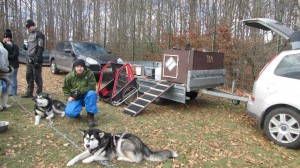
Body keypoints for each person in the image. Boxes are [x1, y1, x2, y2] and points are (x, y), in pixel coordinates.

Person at [62, 59, 98, 127]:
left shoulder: (89, 73)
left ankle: (90, 117)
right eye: (77, 67)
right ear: (74, 67)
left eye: (81, 67)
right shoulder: (69, 76)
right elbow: (65, 88)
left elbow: (92, 86)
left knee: (92, 93)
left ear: (84, 67)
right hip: (75, 97)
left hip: (86, 96)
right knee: (70, 113)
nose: (79, 68)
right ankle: (76, 112)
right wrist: (68, 96)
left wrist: (81, 91)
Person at [21, 19, 45, 98]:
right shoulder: (29, 35)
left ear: (33, 25)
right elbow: (29, 46)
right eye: (27, 27)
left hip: (36, 58)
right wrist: (25, 47)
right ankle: (29, 91)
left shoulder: (39, 34)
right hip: (29, 58)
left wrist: (37, 59)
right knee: (29, 75)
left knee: (37, 76)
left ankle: (39, 93)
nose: (28, 29)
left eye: (29, 27)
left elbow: (40, 47)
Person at [2, 29, 19, 96]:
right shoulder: (4, 45)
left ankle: (13, 92)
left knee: (13, 78)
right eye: (5, 38)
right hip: (7, 66)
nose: (7, 39)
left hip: (13, 65)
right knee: (8, 79)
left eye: (8, 38)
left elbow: (15, 56)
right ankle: (9, 91)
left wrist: (7, 56)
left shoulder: (14, 46)